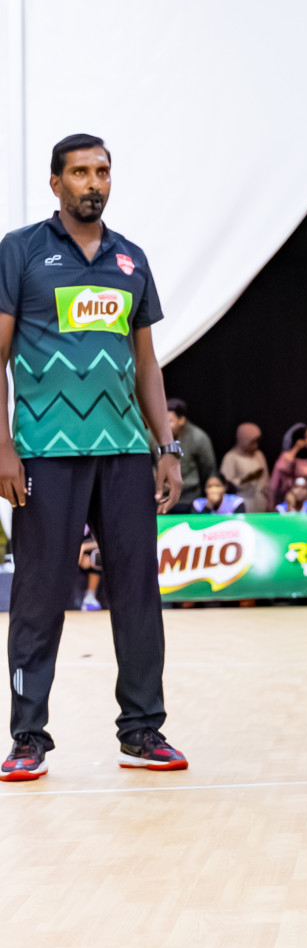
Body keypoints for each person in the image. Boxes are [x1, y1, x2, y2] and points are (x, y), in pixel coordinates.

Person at [0, 133, 187, 782]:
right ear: (56, 183)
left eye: (102, 171)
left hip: (126, 453)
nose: (93, 182)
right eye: (80, 172)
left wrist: (166, 447)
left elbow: (146, 364)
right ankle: (28, 738)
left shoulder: (130, 259)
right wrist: (3, 448)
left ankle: (142, 732)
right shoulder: (20, 253)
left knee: (138, 594)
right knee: (38, 597)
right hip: (46, 455)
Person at [166, 398, 216, 511]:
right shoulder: (154, 437)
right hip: (163, 500)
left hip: (190, 500)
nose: (164, 425)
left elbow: (209, 470)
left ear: (181, 420)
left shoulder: (198, 438)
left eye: (169, 421)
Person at [220, 423, 270, 513]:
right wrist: (244, 481)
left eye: (256, 441)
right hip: (242, 501)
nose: (255, 445)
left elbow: (265, 479)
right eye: (252, 442)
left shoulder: (259, 455)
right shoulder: (231, 457)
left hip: (259, 502)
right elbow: (226, 482)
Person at [270, 422, 307, 508]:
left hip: (306, 502)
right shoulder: (288, 456)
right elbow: (280, 470)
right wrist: (296, 448)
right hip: (287, 501)